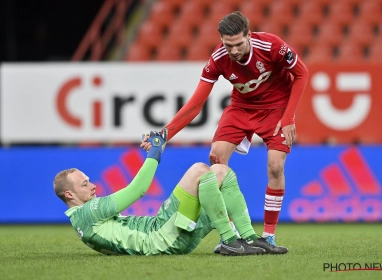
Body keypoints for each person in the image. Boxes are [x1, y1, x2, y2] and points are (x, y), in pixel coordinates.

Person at [154, 11, 309, 254]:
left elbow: (302, 73)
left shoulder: (272, 46)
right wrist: (165, 134)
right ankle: (233, 236)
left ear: (248, 35)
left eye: (238, 44)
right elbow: (195, 104)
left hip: (277, 108)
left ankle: (268, 236)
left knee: (276, 167)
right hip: (242, 107)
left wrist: (288, 117)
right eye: (228, 45)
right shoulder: (217, 59)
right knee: (215, 159)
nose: (234, 51)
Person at [53, 131, 284, 256]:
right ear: (69, 195)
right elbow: (138, 190)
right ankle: (231, 240)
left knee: (220, 172)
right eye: (84, 184)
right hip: (163, 236)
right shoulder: (88, 213)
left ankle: (249, 238)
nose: (93, 186)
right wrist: (155, 152)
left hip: (169, 237)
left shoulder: (83, 222)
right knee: (199, 170)